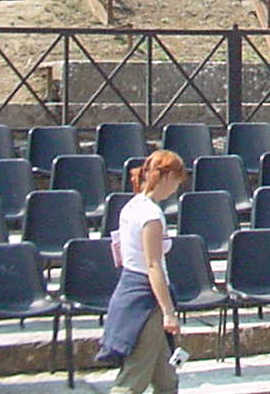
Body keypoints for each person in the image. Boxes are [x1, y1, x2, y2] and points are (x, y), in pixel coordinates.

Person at [96, 150, 187, 394]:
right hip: (145, 300)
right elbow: (153, 265)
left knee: (166, 378)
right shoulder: (151, 215)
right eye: (177, 181)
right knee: (133, 379)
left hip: (132, 290)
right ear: (168, 177)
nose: (176, 188)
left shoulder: (132, 207)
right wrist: (168, 312)